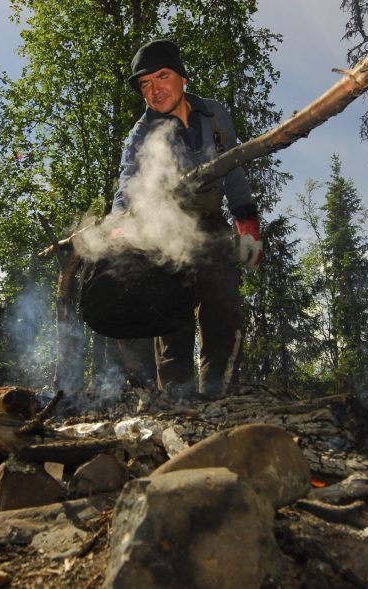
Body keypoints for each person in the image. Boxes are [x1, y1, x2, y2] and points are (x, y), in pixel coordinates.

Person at [110, 39, 262, 401]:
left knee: (222, 318)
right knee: (172, 327)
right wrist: (118, 228)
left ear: (183, 78)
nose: (154, 89)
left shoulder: (215, 115)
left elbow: (233, 169)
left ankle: (218, 400)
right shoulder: (140, 135)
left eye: (162, 77)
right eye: (145, 83)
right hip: (167, 236)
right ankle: (179, 407)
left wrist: (247, 222)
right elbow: (127, 187)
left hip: (211, 228)